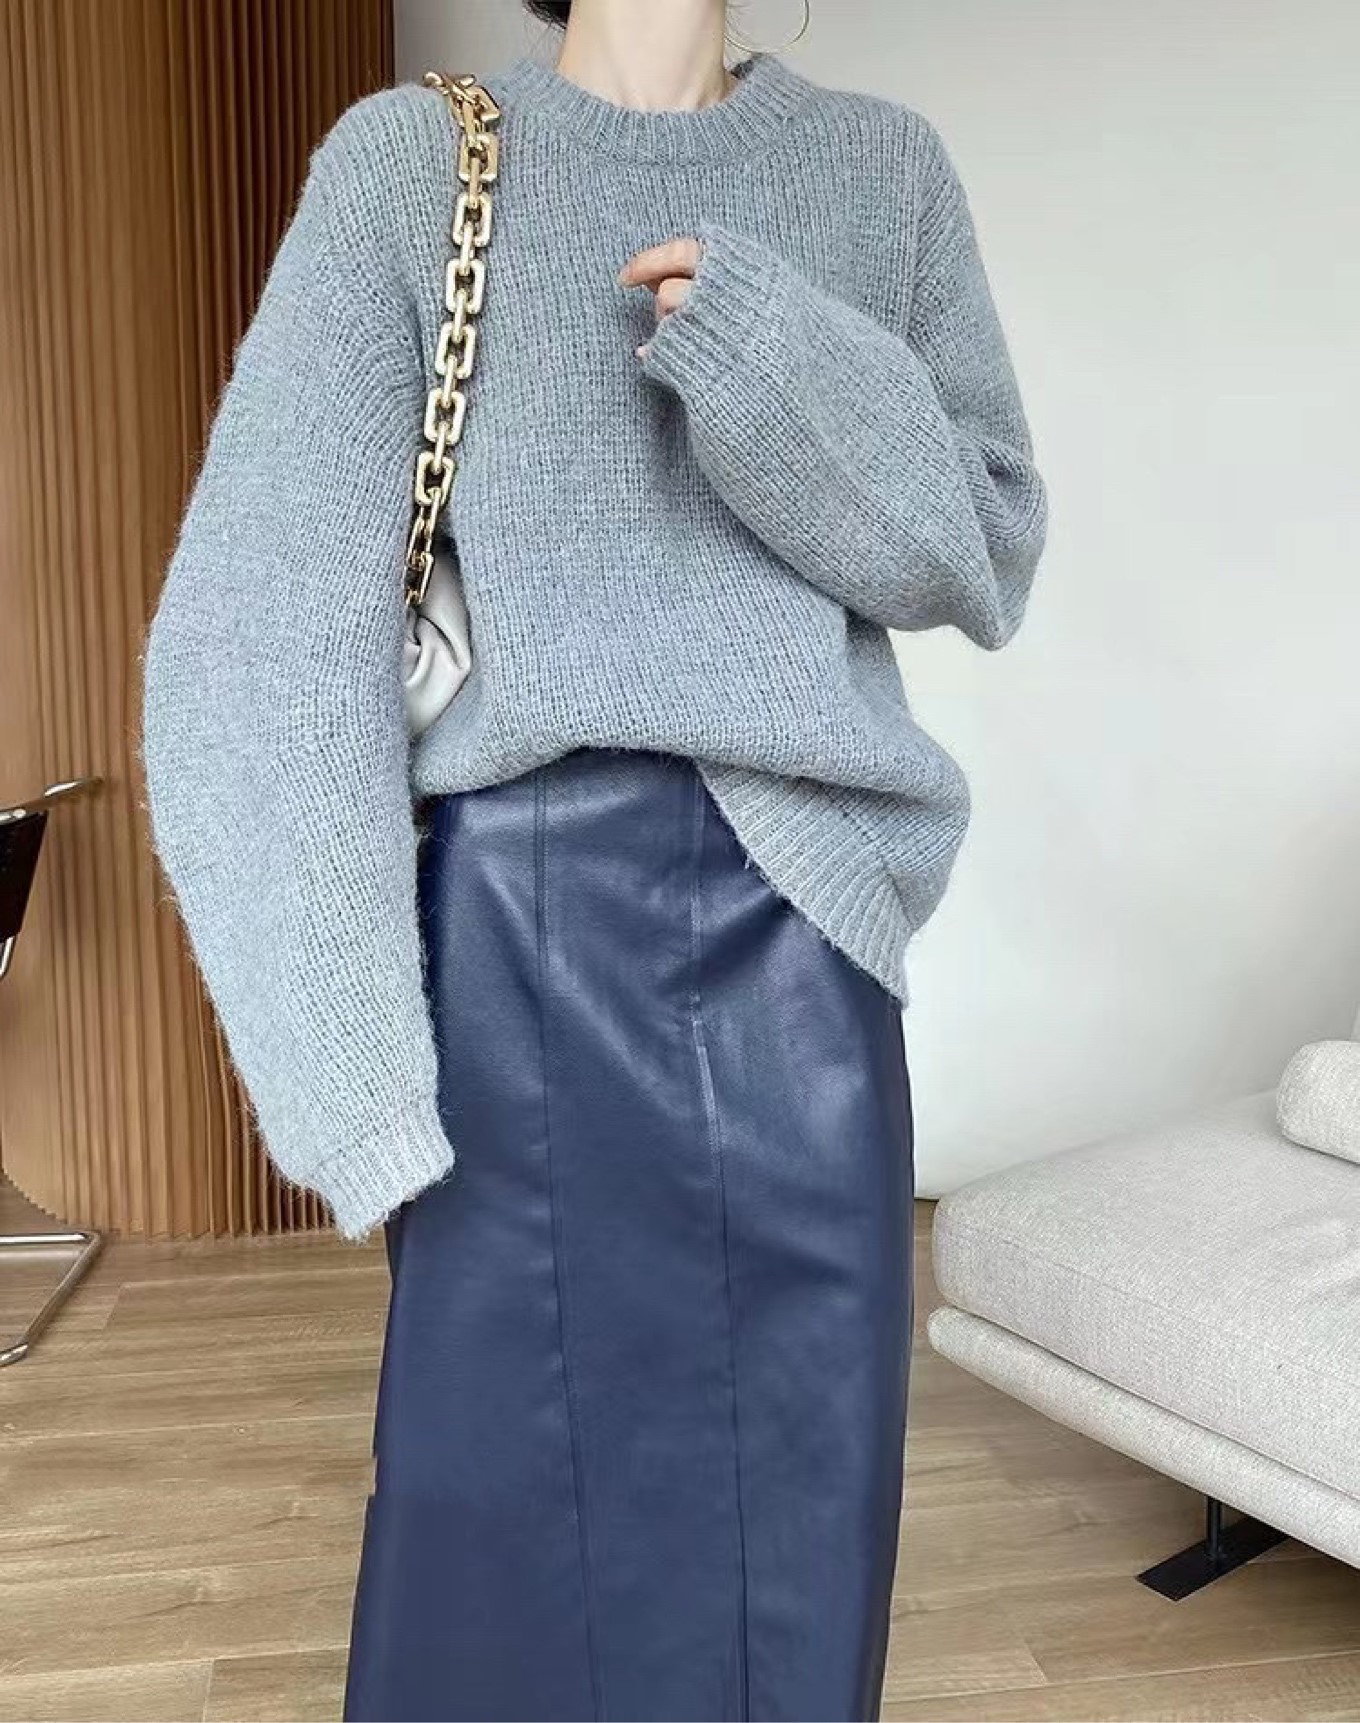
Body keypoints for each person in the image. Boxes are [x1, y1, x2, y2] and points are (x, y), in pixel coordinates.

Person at [139, 0, 1047, 1716]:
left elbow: (980, 550)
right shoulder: (413, 169)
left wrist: (766, 351)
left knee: (800, 1532)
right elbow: (257, 644)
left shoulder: (884, 172)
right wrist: (348, 1069)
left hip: (804, 934)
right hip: (518, 945)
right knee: (498, 1547)